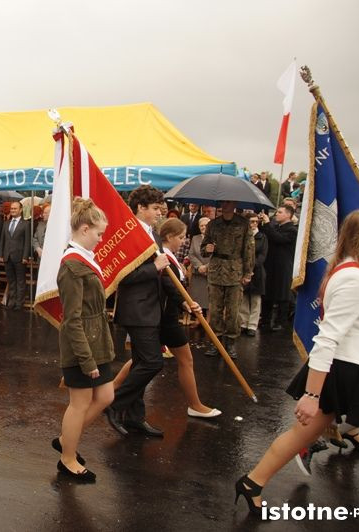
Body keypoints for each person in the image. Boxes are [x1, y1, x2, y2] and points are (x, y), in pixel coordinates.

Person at [236, 209, 359, 514]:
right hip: (351, 370)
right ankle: (252, 482)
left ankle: (252, 483)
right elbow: (328, 337)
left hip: (354, 369)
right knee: (302, 433)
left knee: (302, 435)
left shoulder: (352, 271)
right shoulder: (355, 278)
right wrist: (312, 395)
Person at [113, 218, 220, 419]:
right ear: (169, 237)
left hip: (166, 316)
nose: (183, 241)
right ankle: (194, 404)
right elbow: (168, 286)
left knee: (142, 361)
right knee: (170, 361)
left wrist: (186, 303)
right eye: (180, 237)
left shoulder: (167, 256)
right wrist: (184, 303)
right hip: (165, 318)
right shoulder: (164, 258)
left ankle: (116, 390)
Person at [54, 197, 115, 482]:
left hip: (97, 340)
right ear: (85, 229)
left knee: (105, 395)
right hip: (82, 346)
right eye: (99, 233)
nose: (101, 239)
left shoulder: (85, 260)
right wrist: (86, 358)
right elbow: (72, 319)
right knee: (79, 403)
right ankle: (67, 458)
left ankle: (67, 437)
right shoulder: (71, 266)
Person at [105, 185, 170, 438]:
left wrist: (183, 300)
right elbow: (123, 276)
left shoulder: (151, 232)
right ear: (140, 208)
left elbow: (162, 271)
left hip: (151, 308)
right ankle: (113, 404)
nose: (159, 213)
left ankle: (134, 418)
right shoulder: (129, 234)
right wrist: (154, 267)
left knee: (143, 363)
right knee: (153, 362)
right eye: (154, 208)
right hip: (136, 309)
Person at [201, 200, 254, 358]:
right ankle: (215, 343)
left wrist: (248, 272)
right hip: (216, 268)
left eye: (229, 202)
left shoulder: (243, 224)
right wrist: (207, 249)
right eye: (223, 202)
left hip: (234, 269)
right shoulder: (213, 224)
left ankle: (231, 343)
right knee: (215, 310)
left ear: (235, 204)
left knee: (233, 311)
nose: (225, 205)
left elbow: (249, 249)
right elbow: (203, 247)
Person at [259, 206, 298, 331]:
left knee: (283, 294)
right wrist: (263, 224)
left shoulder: (292, 230)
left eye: (280, 212)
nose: (277, 214)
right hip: (270, 264)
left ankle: (281, 322)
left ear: (288, 215)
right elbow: (267, 234)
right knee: (268, 292)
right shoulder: (275, 227)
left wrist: (268, 224)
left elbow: (278, 238)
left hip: (284, 265)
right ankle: (265, 319)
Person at [239, 214, 268, 337]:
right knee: (244, 297)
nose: (255, 224)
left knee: (256, 299)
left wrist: (251, 267)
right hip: (243, 270)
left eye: (256, 221)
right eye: (252, 221)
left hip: (257, 271)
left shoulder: (262, 237)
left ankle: (252, 325)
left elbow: (262, 255)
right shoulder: (242, 236)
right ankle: (243, 323)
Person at [0, 201, 31, 310]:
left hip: (20, 257)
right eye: (12, 209)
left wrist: (25, 257)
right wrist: (0, 254)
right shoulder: (6, 223)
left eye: (15, 209)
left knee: (20, 281)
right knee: (11, 281)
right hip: (7, 256)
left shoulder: (26, 224)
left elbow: (27, 242)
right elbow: (2, 240)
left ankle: (19, 303)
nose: (13, 210)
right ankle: (11, 302)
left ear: (20, 210)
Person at [187, 217, 211, 313]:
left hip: (210, 272)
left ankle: (208, 322)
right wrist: (199, 266)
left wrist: (206, 267)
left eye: (206, 225)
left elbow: (217, 256)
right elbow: (191, 254)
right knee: (197, 298)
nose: (203, 227)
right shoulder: (195, 238)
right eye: (201, 225)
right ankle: (198, 319)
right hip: (198, 272)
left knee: (209, 299)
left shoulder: (215, 238)